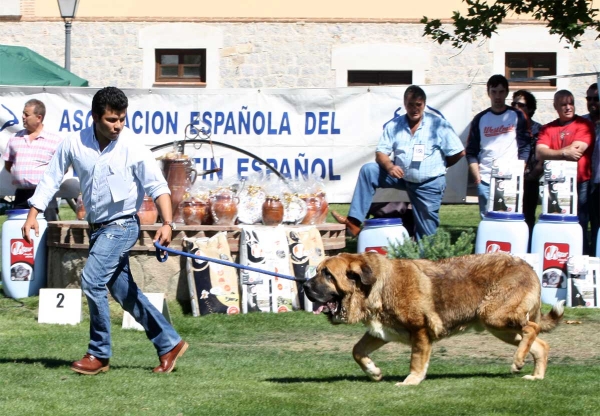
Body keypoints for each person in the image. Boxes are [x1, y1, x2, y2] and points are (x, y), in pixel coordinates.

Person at [21, 87, 188, 375]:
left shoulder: (132, 146)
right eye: (112, 120)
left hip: (122, 225)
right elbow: (51, 178)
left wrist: (167, 223)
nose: (118, 126)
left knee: (91, 280)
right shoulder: (73, 142)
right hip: (97, 228)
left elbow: (158, 187)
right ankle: (169, 343)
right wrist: (32, 214)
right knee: (125, 292)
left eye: (122, 119)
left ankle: (98, 354)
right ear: (95, 117)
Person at [331, 85, 465, 241]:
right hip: (401, 176)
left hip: (428, 183)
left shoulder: (438, 124)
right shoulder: (395, 125)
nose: (414, 109)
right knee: (369, 171)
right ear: (404, 104)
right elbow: (380, 153)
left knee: (427, 233)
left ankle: (425, 261)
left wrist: (440, 165)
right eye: (410, 104)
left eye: (418, 105)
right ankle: (353, 222)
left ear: (424, 104)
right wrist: (390, 166)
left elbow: (459, 152)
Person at [536, 89, 595, 254]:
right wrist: (563, 152)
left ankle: (580, 256)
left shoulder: (584, 125)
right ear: (555, 106)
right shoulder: (548, 129)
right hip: (555, 185)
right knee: (554, 223)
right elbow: (540, 153)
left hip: (579, 182)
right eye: (564, 104)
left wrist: (553, 153)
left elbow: (576, 152)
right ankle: (556, 254)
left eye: (571, 103)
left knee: (579, 224)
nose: (568, 107)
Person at [465, 75, 531, 218]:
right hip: (486, 179)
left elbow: (525, 146)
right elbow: (471, 151)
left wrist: (520, 169)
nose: (497, 96)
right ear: (488, 92)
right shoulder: (480, 119)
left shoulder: (517, 116)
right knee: (488, 220)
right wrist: (477, 177)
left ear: (507, 93)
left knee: (510, 219)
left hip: (510, 178)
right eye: (494, 91)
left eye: (501, 92)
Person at [2, 99, 63, 220]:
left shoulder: (54, 141)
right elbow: (8, 164)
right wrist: (21, 175)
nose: (23, 117)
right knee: (18, 233)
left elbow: (62, 168)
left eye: (27, 114)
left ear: (39, 118)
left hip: (44, 193)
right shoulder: (15, 138)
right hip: (21, 194)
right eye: (23, 113)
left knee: (49, 232)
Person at [511, 89, 543, 244]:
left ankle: (528, 245)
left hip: (529, 179)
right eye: (513, 103)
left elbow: (540, 155)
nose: (516, 107)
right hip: (510, 178)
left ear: (530, 109)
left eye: (521, 105)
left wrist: (532, 174)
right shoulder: (508, 126)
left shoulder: (538, 129)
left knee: (528, 216)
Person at [583, 83, 600, 255]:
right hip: (583, 182)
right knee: (580, 223)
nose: (592, 102)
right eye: (589, 98)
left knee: (597, 226)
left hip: (599, 183)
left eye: (596, 98)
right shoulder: (581, 123)